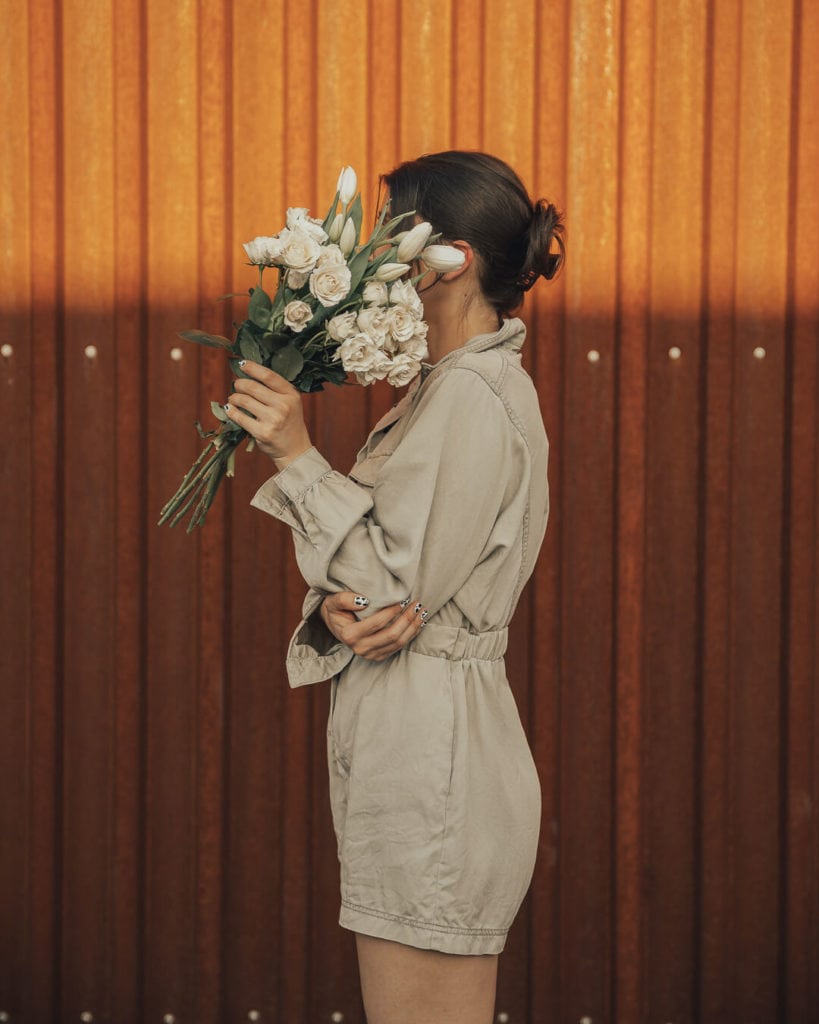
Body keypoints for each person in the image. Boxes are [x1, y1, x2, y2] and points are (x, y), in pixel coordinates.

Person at [224, 150, 564, 1024]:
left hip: (437, 771)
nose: (372, 254)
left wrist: (297, 458)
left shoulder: (471, 397)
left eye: (390, 235)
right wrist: (335, 612)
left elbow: (394, 589)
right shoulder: (442, 391)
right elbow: (387, 589)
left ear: (447, 256)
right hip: (420, 755)